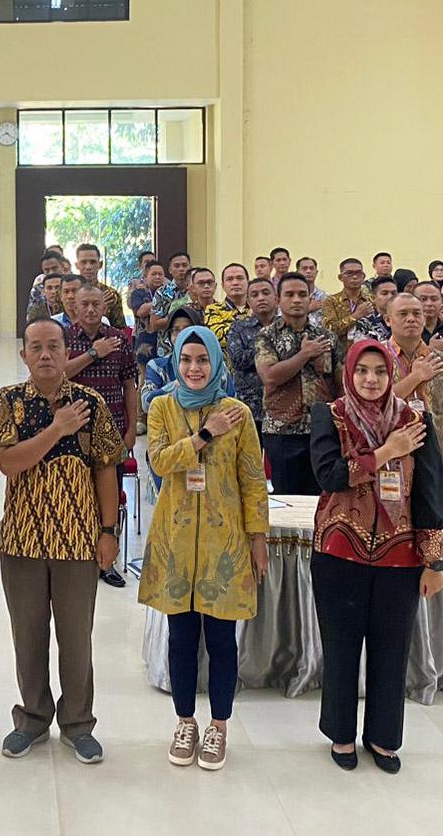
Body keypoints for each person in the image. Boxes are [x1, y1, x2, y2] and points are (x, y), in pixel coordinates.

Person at [310, 340, 443, 774]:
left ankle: (384, 737)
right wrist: (387, 452)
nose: (371, 380)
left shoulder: (415, 421)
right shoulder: (330, 415)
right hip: (339, 550)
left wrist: (433, 560)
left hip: (400, 555)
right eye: (362, 371)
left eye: (380, 372)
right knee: (341, 647)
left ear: (392, 375)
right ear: (349, 374)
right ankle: (341, 734)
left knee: (392, 650)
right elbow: (329, 474)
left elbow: (430, 491)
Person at [0, 317, 123, 766]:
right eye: (36, 347)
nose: (45, 354)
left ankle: (78, 723)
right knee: (27, 637)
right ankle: (31, 719)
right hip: (22, 541)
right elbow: (10, 462)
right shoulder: (7, 402)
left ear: (67, 352)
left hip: (79, 540)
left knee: (77, 638)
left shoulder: (91, 402)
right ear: (23, 354)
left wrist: (109, 532)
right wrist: (57, 430)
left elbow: (106, 467)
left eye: (53, 346)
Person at [141, 326, 268, 772]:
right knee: (180, 638)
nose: (194, 369)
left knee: (221, 641)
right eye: (186, 360)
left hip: (224, 545)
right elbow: (159, 460)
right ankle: (184, 721)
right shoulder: (161, 407)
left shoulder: (238, 413)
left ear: (216, 363)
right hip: (175, 542)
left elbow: (253, 479)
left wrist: (258, 540)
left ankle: (218, 726)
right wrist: (203, 436)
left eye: (203, 360)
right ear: (176, 362)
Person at [63, 283, 139, 589]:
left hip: (114, 431)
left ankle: (107, 561)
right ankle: (78, 557)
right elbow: (58, 374)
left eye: (96, 304)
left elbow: (130, 384)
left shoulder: (119, 339)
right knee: (76, 496)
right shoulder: (64, 338)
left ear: (104, 308)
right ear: (76, 309)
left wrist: (132, 429)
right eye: (85, 305)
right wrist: (94, 353)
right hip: (74, 431)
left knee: (110, 496)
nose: (91, 310)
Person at [256, 273, 338, 495]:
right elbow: (270, 376)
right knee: (287, 499)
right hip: (282, 429)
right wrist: (304, 355)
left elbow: (338, 381)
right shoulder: (266, 336)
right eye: (289, 294)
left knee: (320, 498)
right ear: (278, 299)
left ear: (310, 298)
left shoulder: (326, 336)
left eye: (302, 294)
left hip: (321, 430)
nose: (296, 300)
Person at [384, 294, 443, 497]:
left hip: (435, 459)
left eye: (416, 313)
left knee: (432, 524)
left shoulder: (442, 361)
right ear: (388, 320)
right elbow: (375, 405)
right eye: (403, 314)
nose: (411, 319)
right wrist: (416, 377)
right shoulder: (375, 359)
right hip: (387, 457)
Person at [225, 277, 277, 428]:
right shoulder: (239, 328)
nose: (261, 298)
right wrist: (269, 348)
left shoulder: (286, 326)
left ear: (276, 297)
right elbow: (237, 360)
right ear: (248, 300)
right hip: (249, 406)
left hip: (281, 406)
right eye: (254, 295)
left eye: (265, 293)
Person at [73, 244, 126, 329]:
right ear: (76, 265)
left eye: (93, 262)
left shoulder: (111, 295)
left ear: (100, 264)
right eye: (83, 262)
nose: (88, 267)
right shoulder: (70, 293)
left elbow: (120, 329)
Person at [321, 258, 373, 343]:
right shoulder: (331, 301)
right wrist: (355, 316)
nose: (355, 277)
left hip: (367, 350)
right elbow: (329, 330)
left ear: (363, 276)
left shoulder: (371, 300)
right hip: (341, 352)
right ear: (340, 277)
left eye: (358, 273)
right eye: (349, 273)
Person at [203, 263, 251, 351]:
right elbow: (220, 338)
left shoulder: (256, 309)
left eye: (240, 278)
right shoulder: (213, 309)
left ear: (248, 282)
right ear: (223, 286)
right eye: (229, 279)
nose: (235, 283)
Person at [130, 262, 166, 370]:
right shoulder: (138, 293)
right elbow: (140, 311)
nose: (157, 277)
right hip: (144, 342)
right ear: (145, 277)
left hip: (165, 342)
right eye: (154, 274)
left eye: (160, 274)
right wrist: (161, 301)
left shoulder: (169, 292)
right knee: (144, 381)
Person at [348, 276, 398, 343]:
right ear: (373, 297)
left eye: (394, 293)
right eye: (384, 293)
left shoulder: (404, 319)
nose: (390, 297)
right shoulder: (364, 324)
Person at [297, 257, 330, 326]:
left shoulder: (325, 297)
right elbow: (282, 319)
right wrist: (307, 309)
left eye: (311, 268)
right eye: (304, 268)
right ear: (297, 272)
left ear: (316, 272)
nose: (308, 271)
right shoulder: (291, 296)